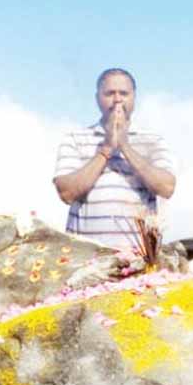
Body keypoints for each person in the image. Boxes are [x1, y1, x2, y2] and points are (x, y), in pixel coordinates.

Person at [53, 68, 176, 249]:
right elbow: (66, 193)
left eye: (124, 93)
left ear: (133, 97)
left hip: (140, 259)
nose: (117, 99)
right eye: (110, 93)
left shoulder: (152, 140)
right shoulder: (75, 138)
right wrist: (107, 149)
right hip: (85, 258)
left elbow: (167, 187)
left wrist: (125, 146)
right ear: (98, 98)